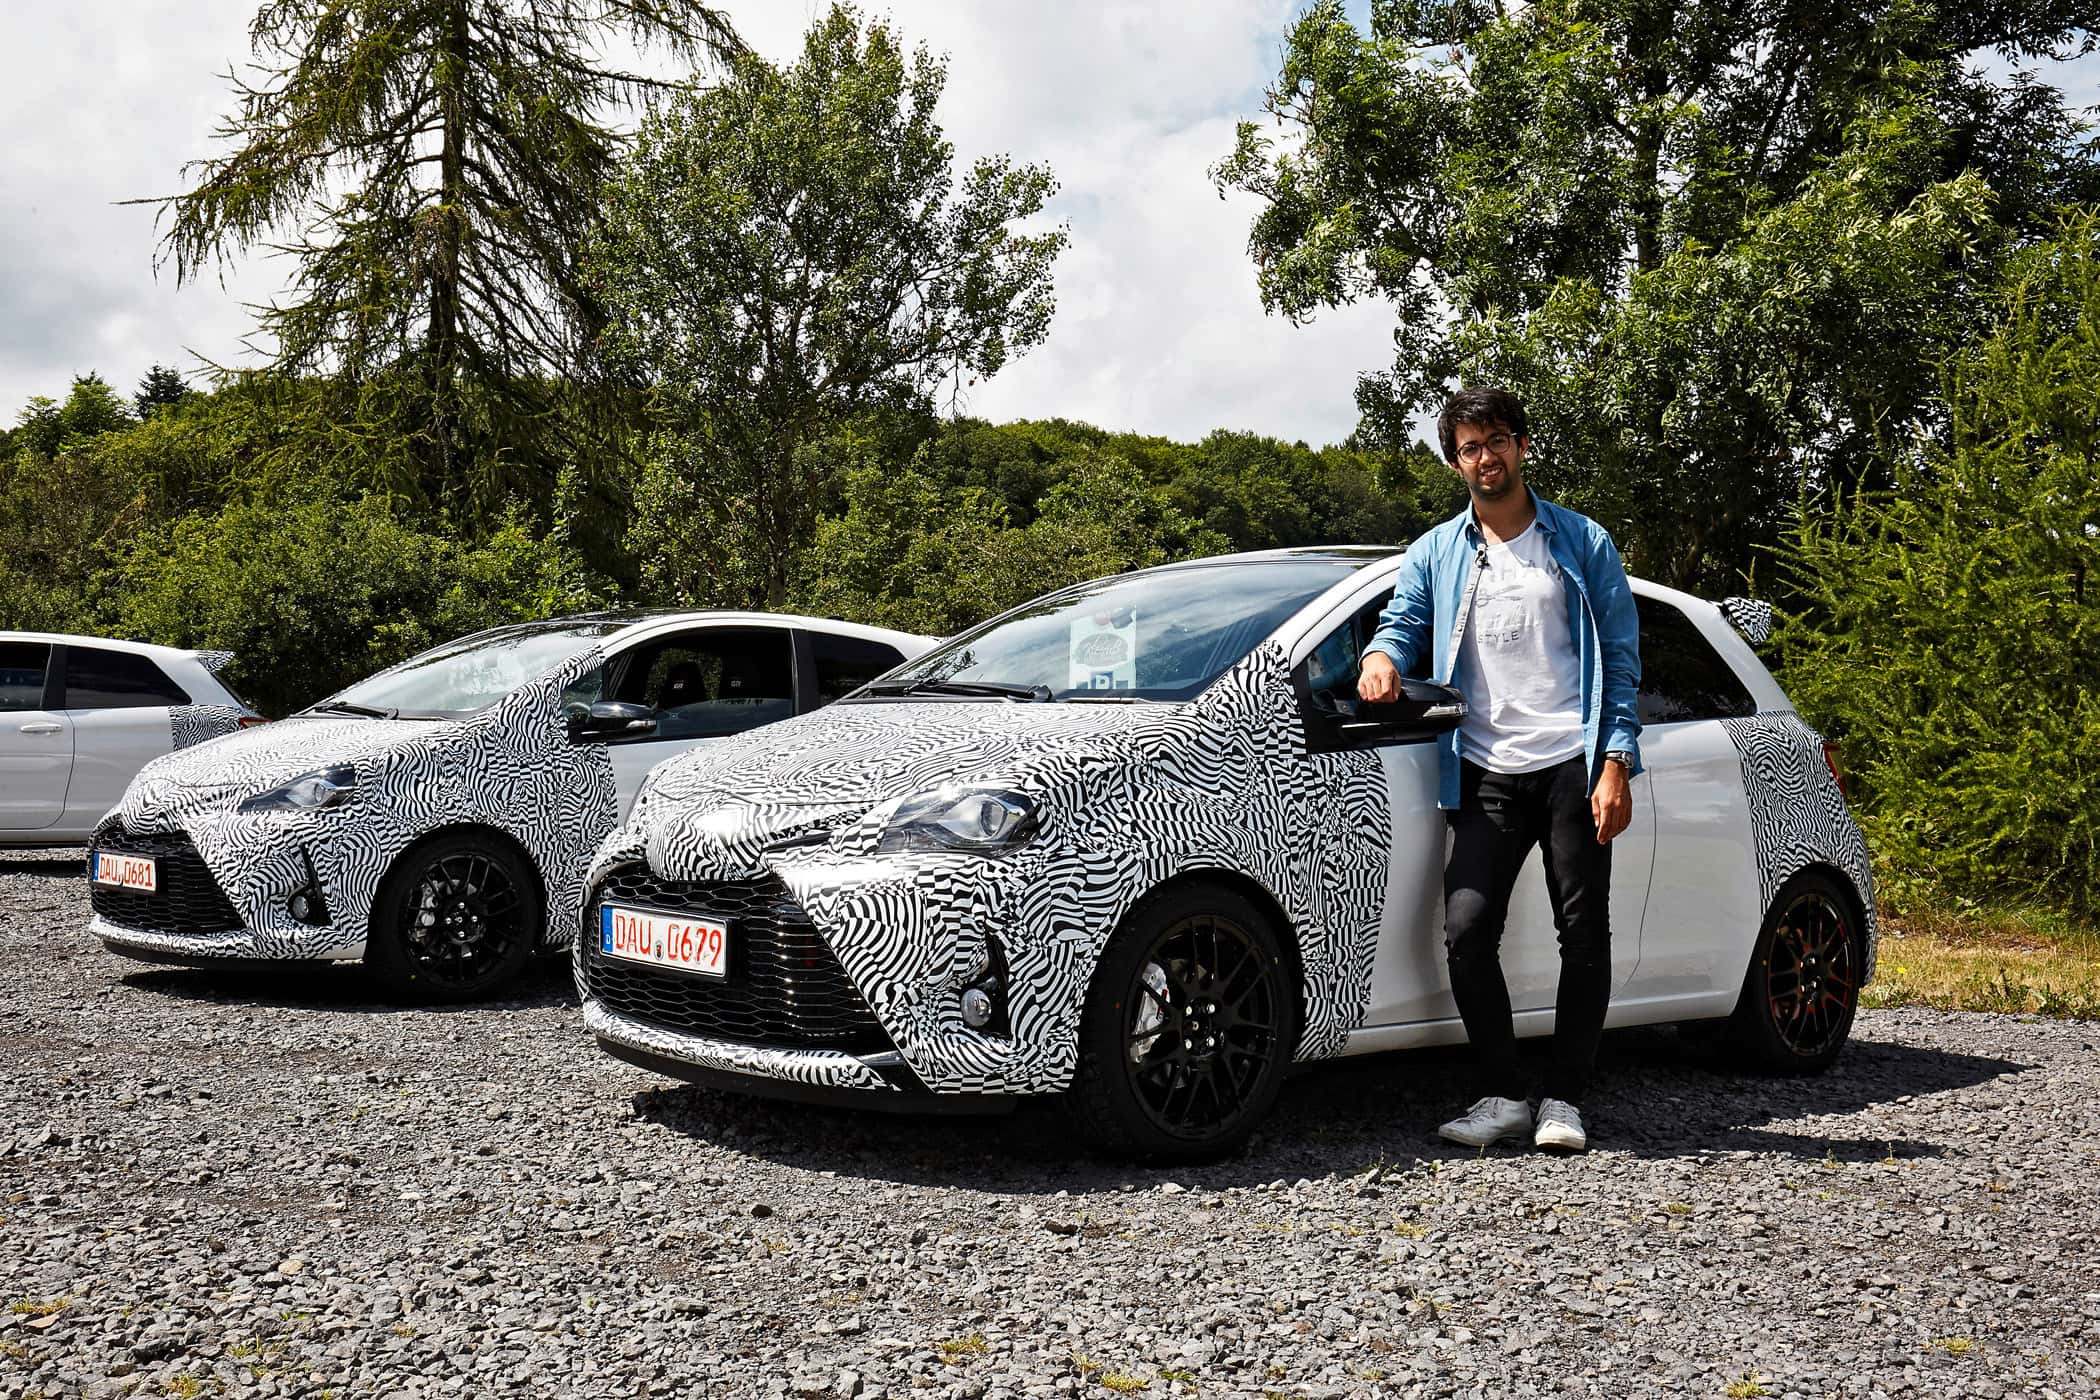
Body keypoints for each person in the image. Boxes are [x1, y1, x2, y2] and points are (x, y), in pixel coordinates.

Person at [1358, 386, 1640, 1153]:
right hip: (1482, 768)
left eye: (1497, 441)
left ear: (1521, 446)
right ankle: (1506, 1094)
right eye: (1470, 447)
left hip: (1571, 763)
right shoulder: (1436, 551)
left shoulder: (1581, 540)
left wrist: (1616, 760)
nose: (1486, 457)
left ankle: (1565, 1100)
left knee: (1583, 931)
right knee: (1467, 929)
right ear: (1457, 463)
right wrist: (1382, 656)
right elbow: (1404, 621)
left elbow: (1620, 659)